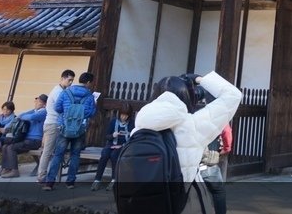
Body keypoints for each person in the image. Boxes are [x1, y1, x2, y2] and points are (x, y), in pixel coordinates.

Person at [133, 71, 242, 201]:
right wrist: (199, 79)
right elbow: (233, 95)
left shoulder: (139, 125)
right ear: (186, 96)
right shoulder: (193, 126)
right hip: (177, 202)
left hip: (141, 200)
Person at [43, 71, 97, 191]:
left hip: (64, 127)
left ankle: (49, 183)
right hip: (79, 129)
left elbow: (57, 107)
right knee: (75, 155)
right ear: (88, 82)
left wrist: (67, 113)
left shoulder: (66, 92)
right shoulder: (89, 96)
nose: (91, 85)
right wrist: (80, 114)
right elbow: (92, 112)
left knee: (58, 155)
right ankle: (70, 182)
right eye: (91, 83)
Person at [37, 69, 75, 183]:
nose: (71, 83)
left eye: (72, 80)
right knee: (48, 152)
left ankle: (49, 176)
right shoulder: (58, 92)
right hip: (53, 123)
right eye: (69, 80)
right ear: (62, 79)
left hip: (55, 123)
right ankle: (41, 176)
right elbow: (63, 108)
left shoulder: (62, 90)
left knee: (55, 152)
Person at [0, 94, 48, 178]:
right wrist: (23, 115)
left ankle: (14, 171)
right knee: (5, 146)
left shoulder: (44, 112)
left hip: (35, 141)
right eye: (36, 101)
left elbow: (32, 117)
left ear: (45, 104)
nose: (36, 103)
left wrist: (21, 117)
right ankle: (6, 168)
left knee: (12, 147)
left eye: (39, 102)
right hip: (27, 139)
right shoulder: (35, 110)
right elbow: (22, 114)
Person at [90, 104, 134, 190]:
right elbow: (106, 136)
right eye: (122, 114)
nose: (124, 117)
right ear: (119, 113)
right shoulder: (113, 121)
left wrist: (122, 145)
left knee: (114, 155)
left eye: (126, 115)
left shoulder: (132, 124)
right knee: (104, 155)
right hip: (111, 144)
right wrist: (112, 135)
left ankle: (114, 180)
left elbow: (133, 138)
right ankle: (97, 180)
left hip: (123, 146)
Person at [200, 122, 233, 214]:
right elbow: (226, 132)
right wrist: (226, 148)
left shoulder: (187, 113)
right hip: (208, 163)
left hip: (188, 164)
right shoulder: (216, 114)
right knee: (218, 192)